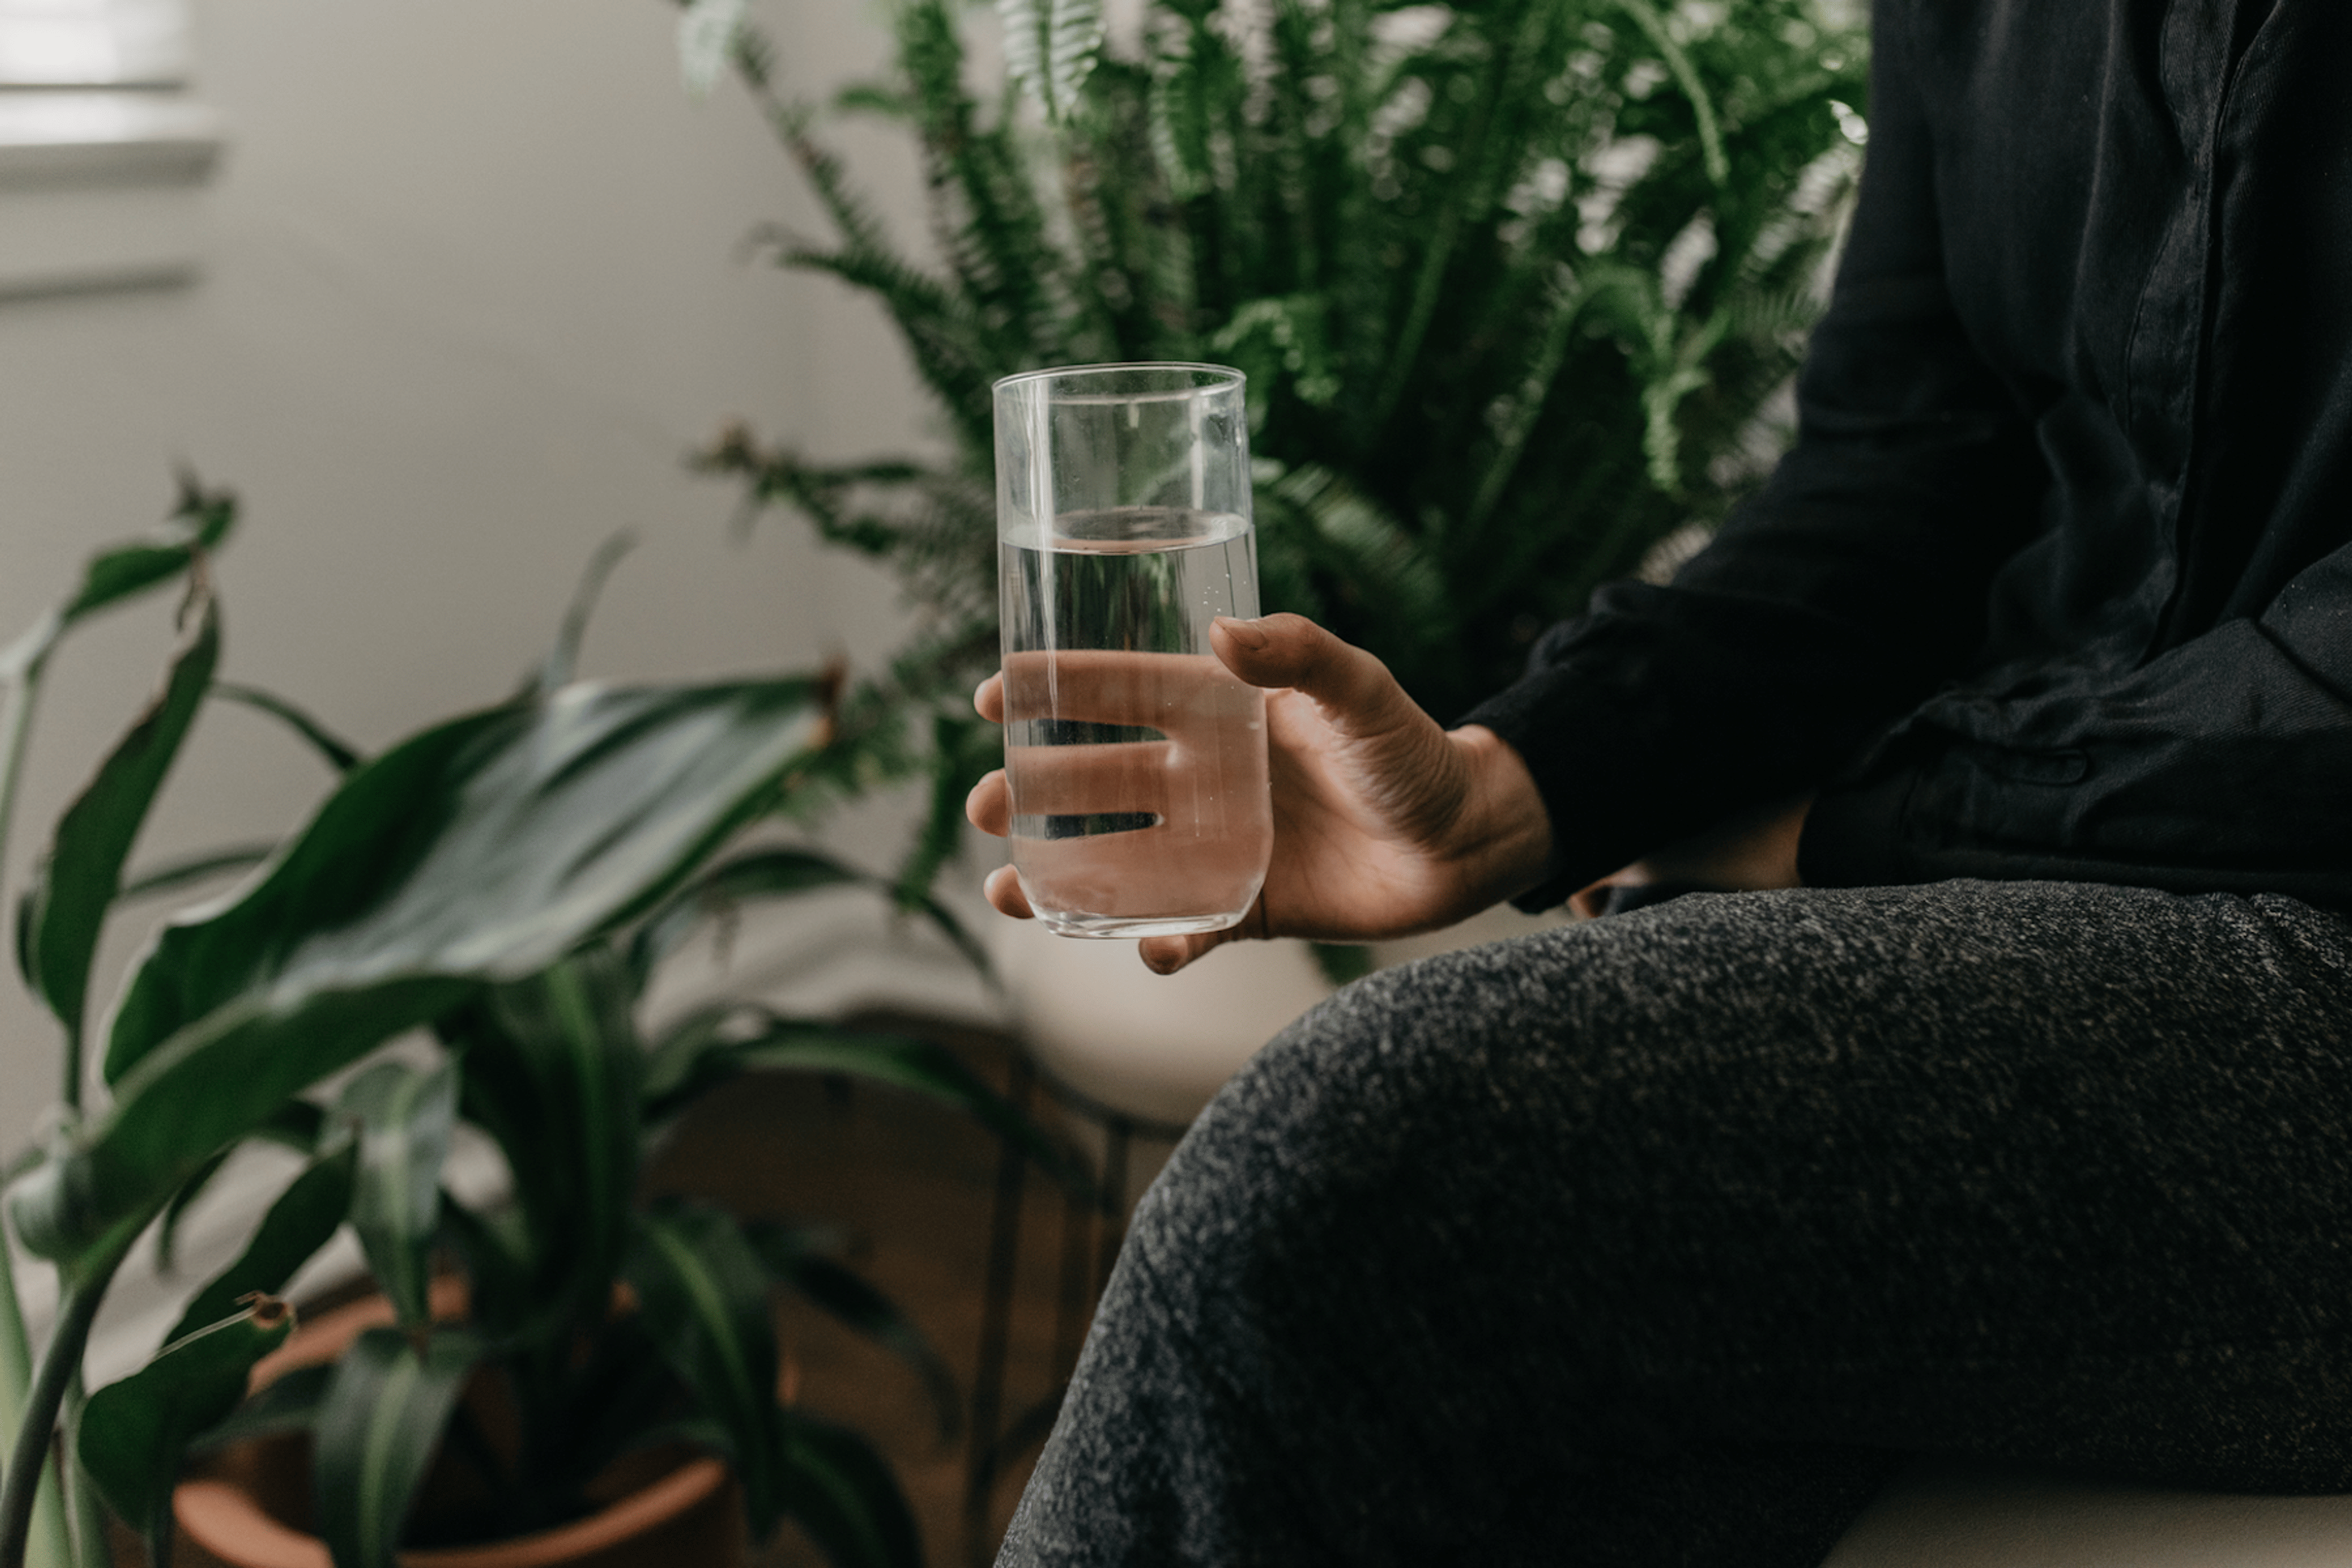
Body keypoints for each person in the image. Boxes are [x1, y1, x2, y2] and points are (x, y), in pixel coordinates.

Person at [963, 0, 2352, 1561]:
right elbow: (1918, 451)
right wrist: (1517, 775)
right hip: (2038, 867)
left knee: (1361, 1178)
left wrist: (1872, 818)